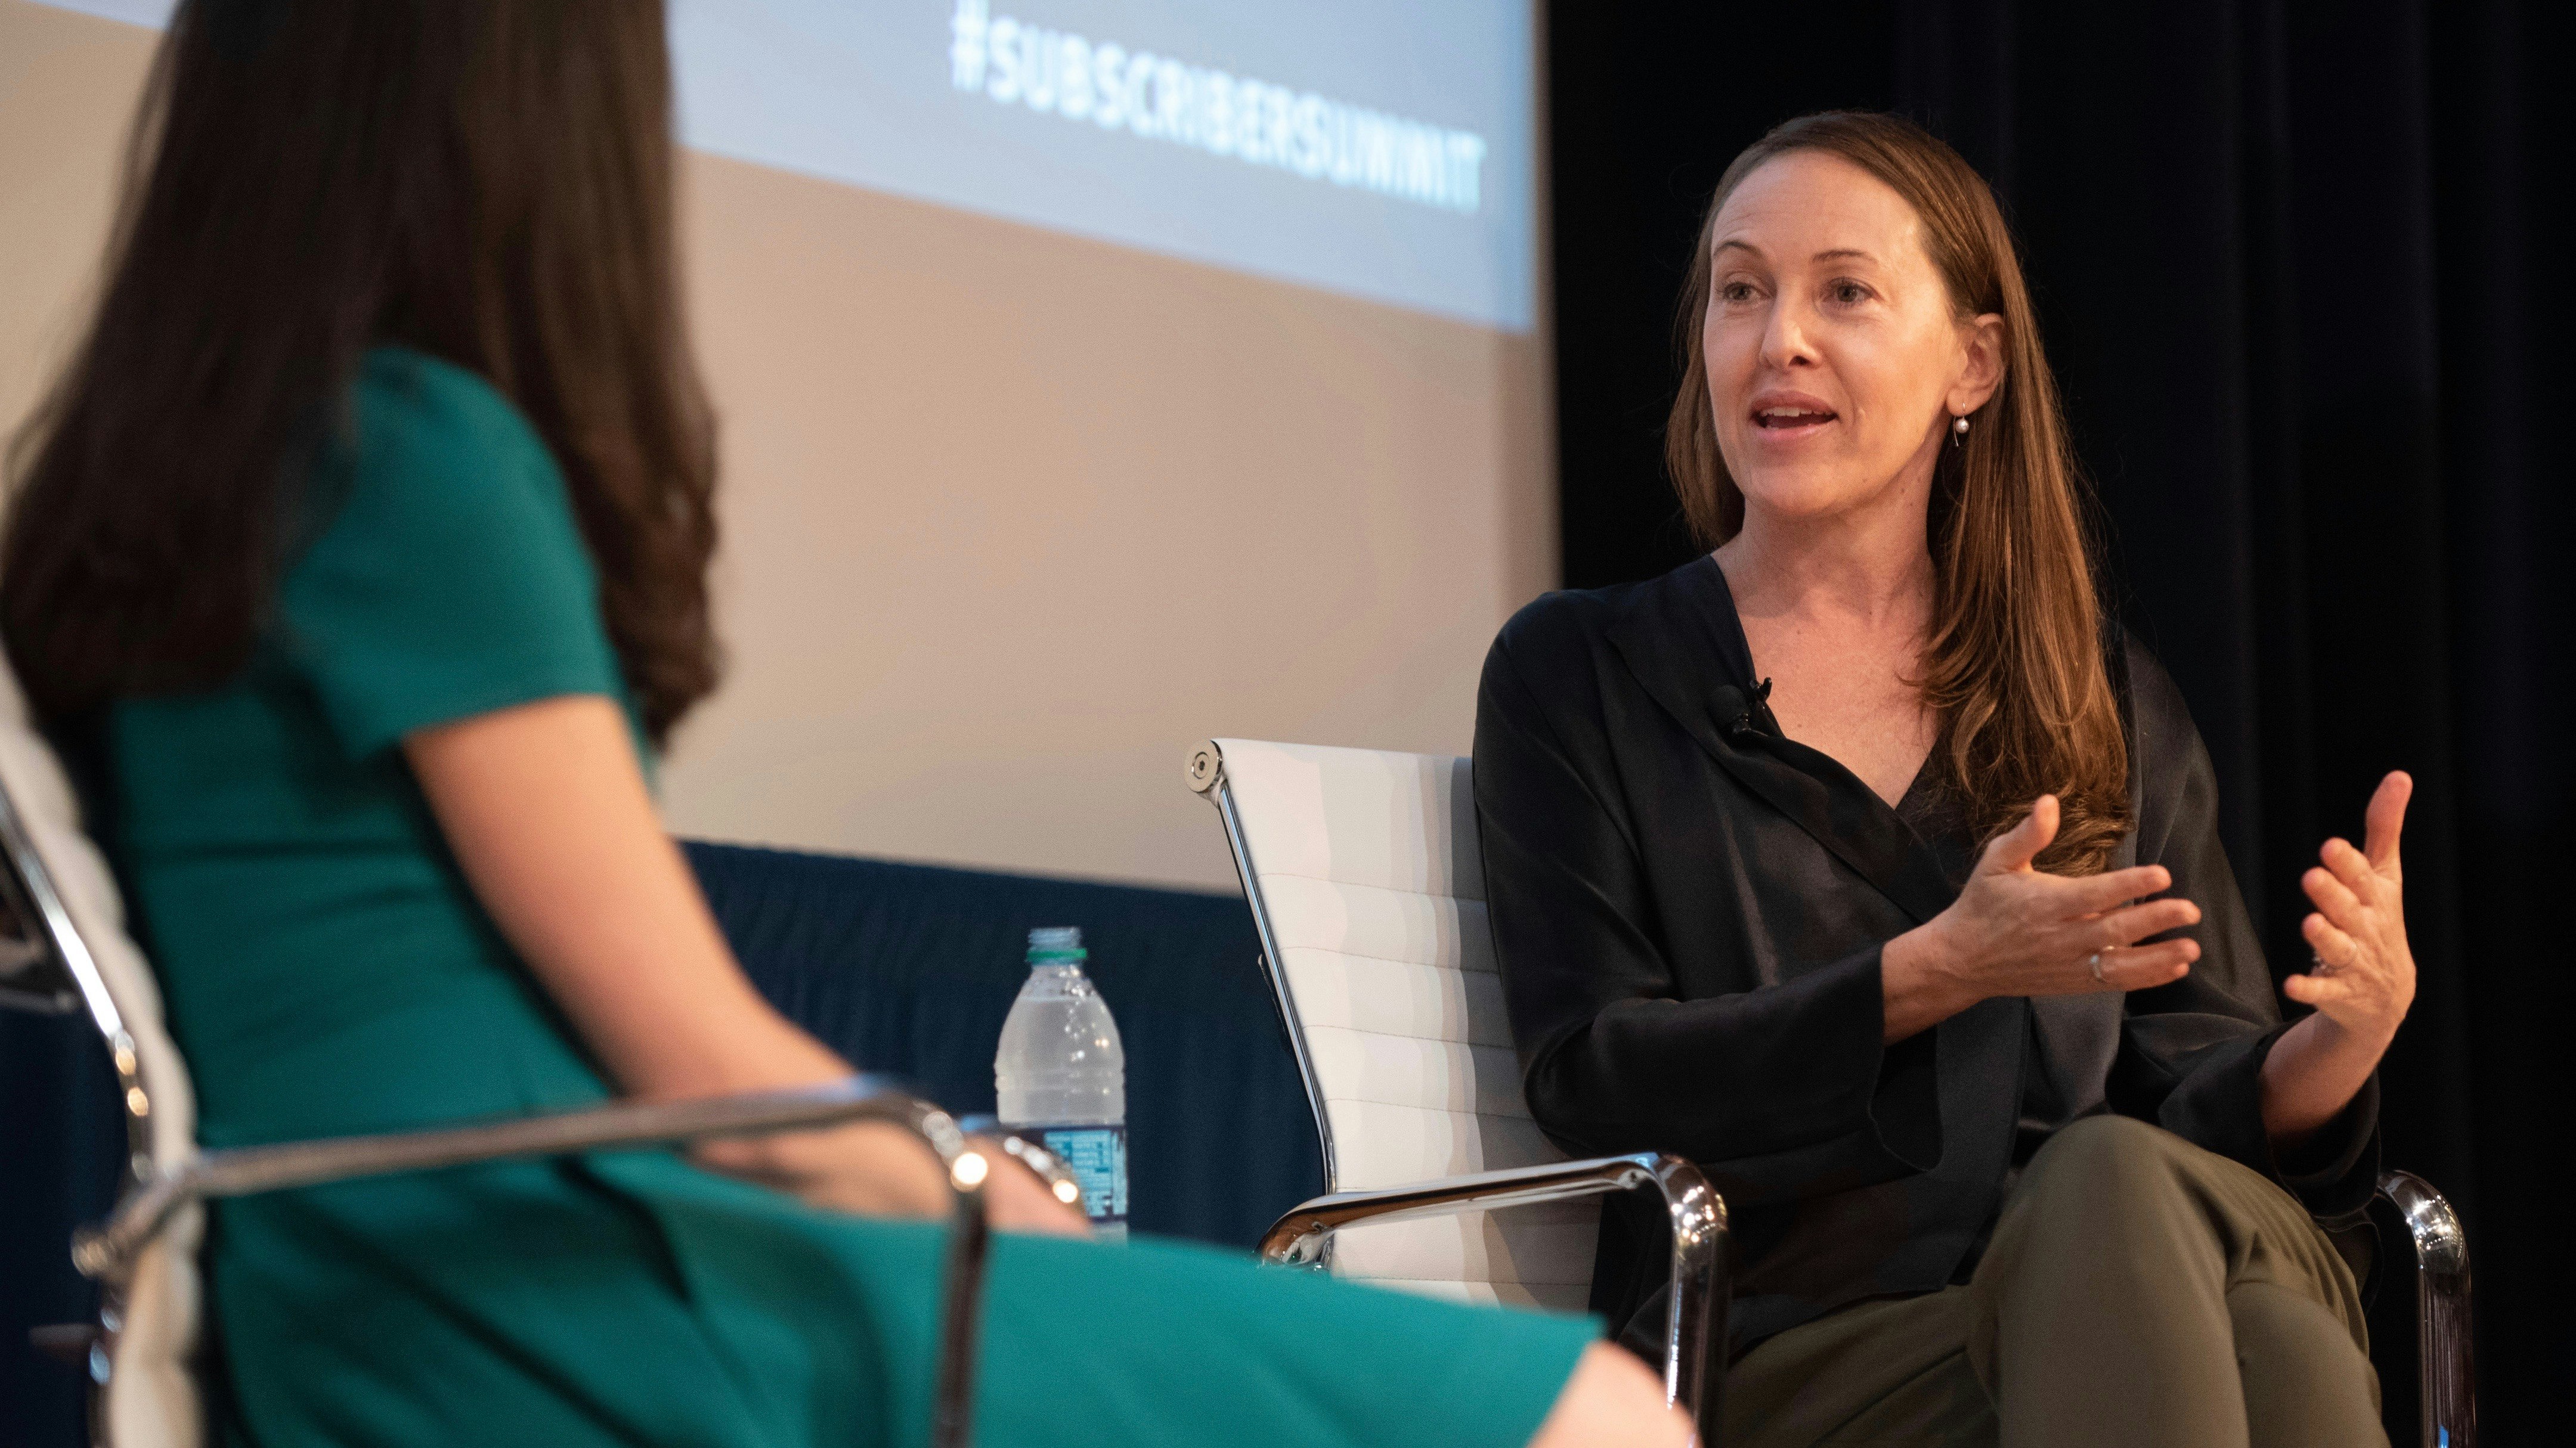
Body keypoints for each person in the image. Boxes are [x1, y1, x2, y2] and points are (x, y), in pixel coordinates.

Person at [0, 4, 1682, 1445]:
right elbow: (703, 1068)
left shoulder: (192, 474)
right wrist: (994, 1196)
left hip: (361, 1283)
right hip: (540, 1290)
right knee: (1595, 1409)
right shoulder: (417, 456)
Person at [1473, 111, 2416, 1448]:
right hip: (1785, 1349)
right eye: (1740, 291)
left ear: (1973, 363)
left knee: (2201, 1258)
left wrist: (2339, 1047)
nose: (1779, 339)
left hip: (2112, 1293)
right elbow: (1593, 1075)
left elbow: (2191, 1090)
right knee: (2216, 1286)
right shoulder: (1582, 674)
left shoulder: (2090, 691)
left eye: (1843, 293)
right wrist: (1927, 975)